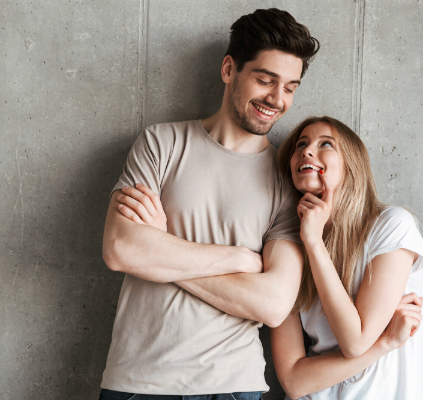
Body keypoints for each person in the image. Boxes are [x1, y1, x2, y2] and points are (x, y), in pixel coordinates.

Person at [99, 9, 319, 400]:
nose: (277, 99)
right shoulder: (161, 144)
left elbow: (272, 304)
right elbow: (121, 249)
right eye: (265, 80)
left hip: (234, 387)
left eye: (290, 87)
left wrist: (161, 248)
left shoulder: (288, 181)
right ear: (229, 69)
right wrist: (237, 258)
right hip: (138, 381)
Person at [270, 116, 423, 400]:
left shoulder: (391, 226)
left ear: (351, 163)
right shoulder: (290, 247)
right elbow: (293, 381)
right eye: (301, 145)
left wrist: (314, 242)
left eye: (325, 144)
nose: (306, 151)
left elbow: (354, 342)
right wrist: (386, 342)